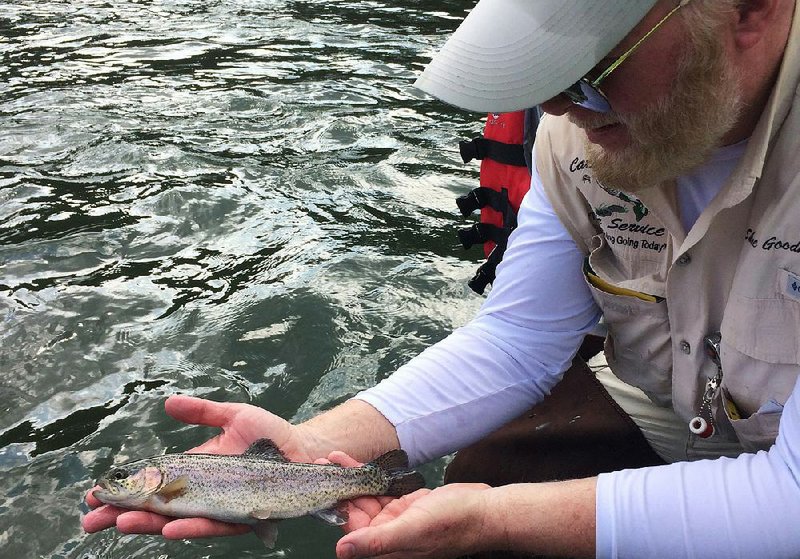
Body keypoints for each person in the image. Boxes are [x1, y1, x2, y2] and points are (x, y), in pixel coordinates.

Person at [83, 0, 800, 557]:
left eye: (594, 66)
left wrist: (496, 520)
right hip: (669, 408)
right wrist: (307, 451)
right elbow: (520, 338)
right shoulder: (581, 136)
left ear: (750, 10)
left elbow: (790, 495)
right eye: (545, 71)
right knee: (461, 491)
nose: (555, 107)